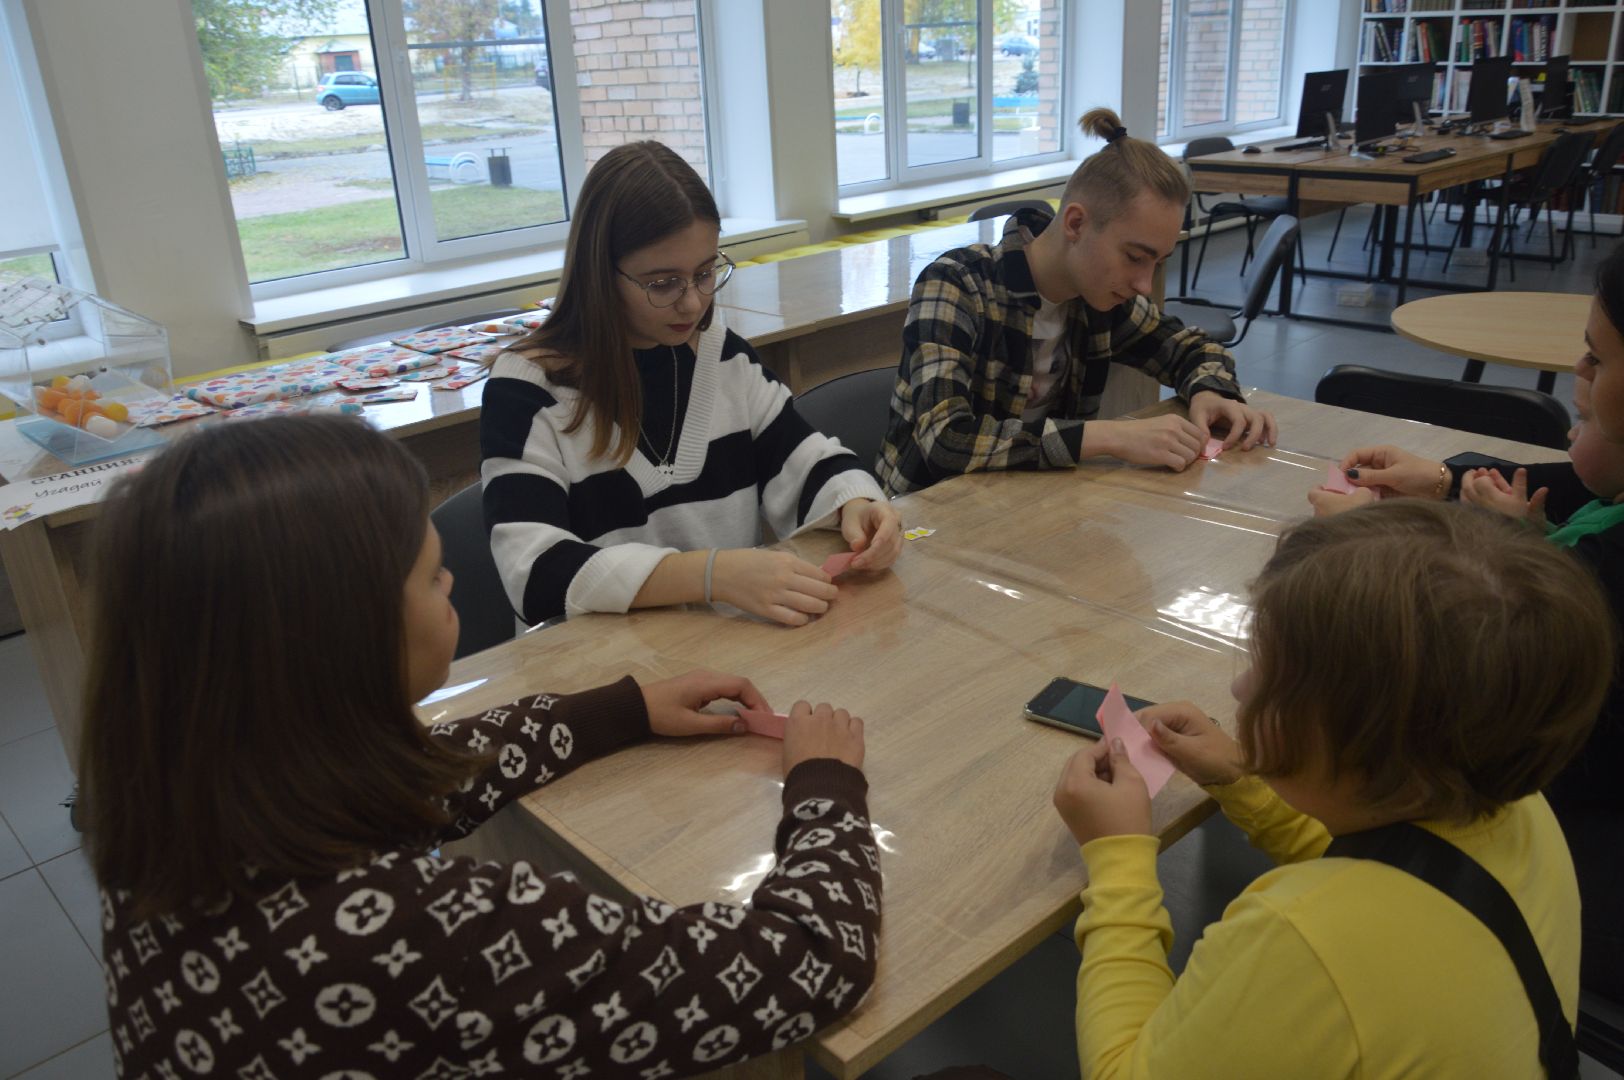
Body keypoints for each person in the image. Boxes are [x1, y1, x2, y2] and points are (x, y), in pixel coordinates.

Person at [80, 415, 883, 1079]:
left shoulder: (169, 804)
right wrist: (825, 790)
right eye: (431, 579)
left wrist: (622, 711)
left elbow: (415, 778)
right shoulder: (425, 935)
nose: (454, 583)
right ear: (338, 642)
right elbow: (809, 963)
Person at [1052, 500, 1611, 1075]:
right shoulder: (1511, 800)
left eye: (1271, 678)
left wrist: (1117, 857)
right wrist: (1241, 776)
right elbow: (1407, 868)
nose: (1241, 688)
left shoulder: (1302, 940)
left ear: (1358, 739)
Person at [1308, 246, 1624, 998]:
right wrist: (1444, 481)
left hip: (1570, 826)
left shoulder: (1597, 583)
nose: (1577, 370)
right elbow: (1588, 475)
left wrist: (1379, 539)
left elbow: (1500, 685)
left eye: (1596, 359)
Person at [482, 141, 901, 629]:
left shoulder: (723, 357)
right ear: (599, 274)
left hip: (721, 645)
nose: (692, 304)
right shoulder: (529, 390)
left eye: (705, 274)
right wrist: (710, 574)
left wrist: (857, 503)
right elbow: (533, 577)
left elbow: (809, 461)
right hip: (600, 673)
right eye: (663, 284)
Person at [876, 107, 1277, 497]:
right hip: (923, 520)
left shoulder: (1098, 298)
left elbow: (1191, 348)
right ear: (1075, 223)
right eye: (1135, 257)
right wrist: (1109, 436)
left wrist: (1211, 392)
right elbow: (945, 441)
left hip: (1027, 504)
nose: (1143, 284)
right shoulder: (956, 285)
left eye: (1157, 261)